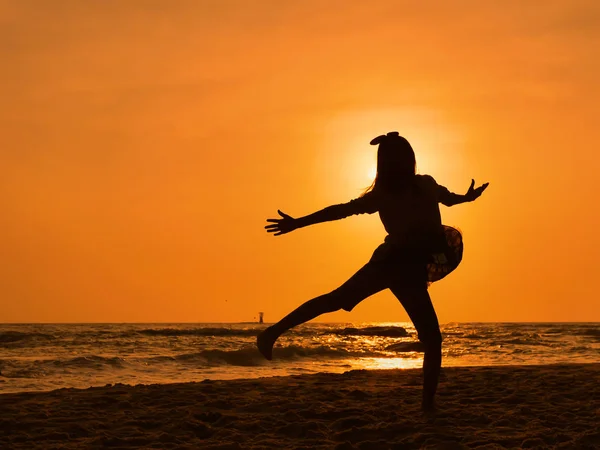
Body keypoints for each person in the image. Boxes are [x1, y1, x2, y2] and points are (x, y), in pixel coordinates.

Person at [257, 131, 489, 411]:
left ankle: (428, 405)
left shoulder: (425, 184)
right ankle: (271, 333)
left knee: (431, 338)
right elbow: (339, 211)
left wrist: (467, 197)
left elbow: (448, 198)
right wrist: (299, 223)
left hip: (410, 270)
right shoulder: (384, 195)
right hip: (390, 264)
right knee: (338, 300)